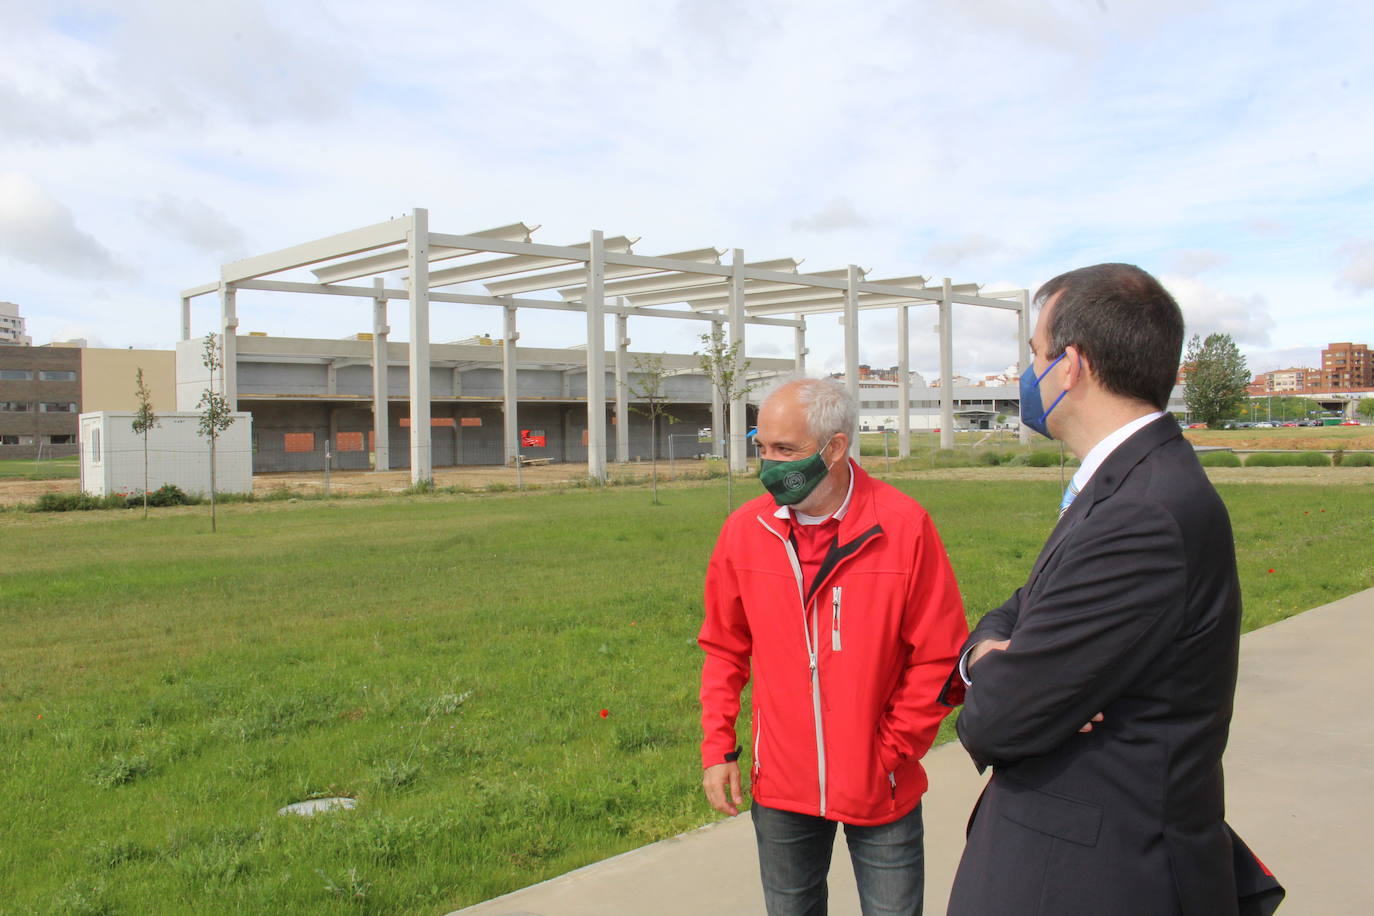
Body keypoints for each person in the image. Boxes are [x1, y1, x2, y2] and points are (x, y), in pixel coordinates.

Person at [943, 263, 1283, 915]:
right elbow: (1019, 610)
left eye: (1034, 355)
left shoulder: (1143, 512)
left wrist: (1011, 674)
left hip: (1093, 880)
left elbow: (996, 721)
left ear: (1069, 366)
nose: (1027, 373)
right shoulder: (1128, 484)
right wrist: (997, 655)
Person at [699, 377, 968, 916]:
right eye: (761, 448)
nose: (768, 465)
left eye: (785, 450)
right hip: (780, 789)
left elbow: (941, 656)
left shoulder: (903, 528)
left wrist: (890, 751)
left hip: (881, 787)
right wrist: (719, 749)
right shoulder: (743, 532)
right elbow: (725, 650)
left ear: (836, 447)